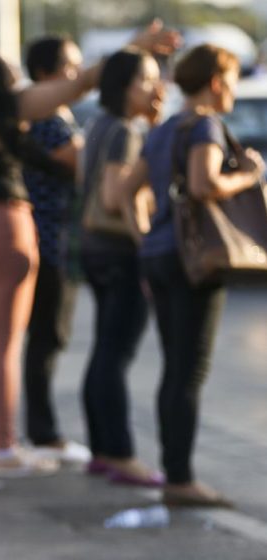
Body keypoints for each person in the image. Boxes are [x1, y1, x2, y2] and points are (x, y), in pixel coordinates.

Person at [0, 24, 178, 476]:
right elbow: (81, 83)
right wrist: (134, 48)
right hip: (1, 229)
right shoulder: (12, 104)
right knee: (3, 345)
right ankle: (5, 448)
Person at [115, 44, 264, 506]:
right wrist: (251, 174)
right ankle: (180, 479)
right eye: (233, 80)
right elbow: (204, 185)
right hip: (193, 259)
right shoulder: (204, 125)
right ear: (217, 82)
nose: (234, 91)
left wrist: (145, 238)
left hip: (160, 255)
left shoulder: (162, 130)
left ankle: (173, 471)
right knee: (188, 371)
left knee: (173, 368)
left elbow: (122, 191)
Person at [79, 48, 166, 486]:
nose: (155, 88)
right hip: (119, 251)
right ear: (122, 86)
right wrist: (145, 246)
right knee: (116, 353)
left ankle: (101, 450)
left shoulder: (99, 125)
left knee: (104, 350)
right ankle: (119, 453)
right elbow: (116, 198)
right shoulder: (124, 132)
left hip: (94, 249)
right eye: (146, 79)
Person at [20, 36, 88, 465]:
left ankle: (38, 430)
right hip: (50, 243)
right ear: (47, 73)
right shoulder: (49, 122)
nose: (78, 77)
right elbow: (86, 169)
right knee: (47, 338)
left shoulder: (43, 117)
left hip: (48, 241)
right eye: (71, 67)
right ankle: (42, 434)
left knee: (45, 338)